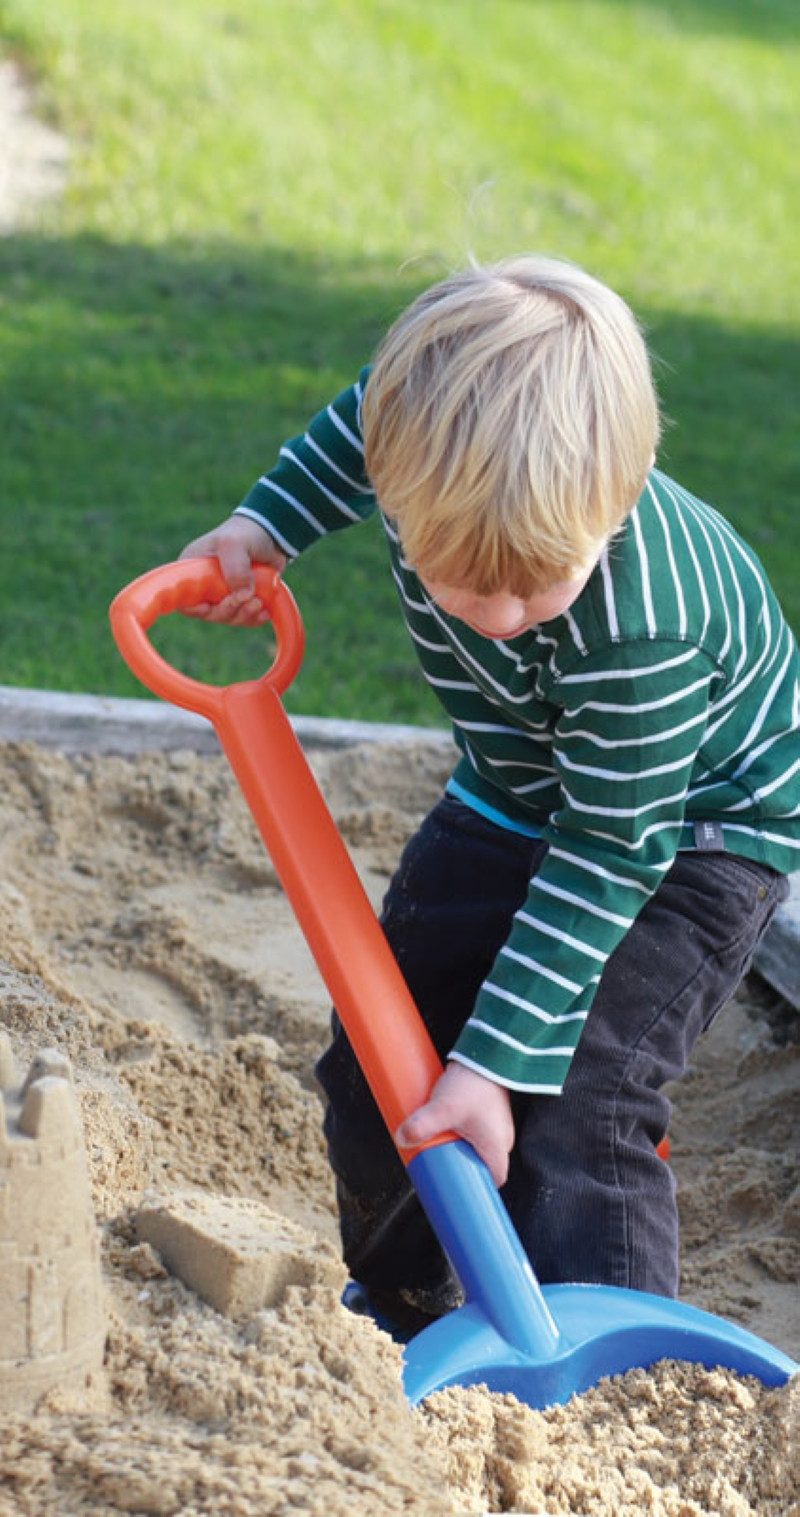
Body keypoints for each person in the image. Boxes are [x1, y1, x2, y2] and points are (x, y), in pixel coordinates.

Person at [177, 255, 798, 1334]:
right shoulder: (419, 445)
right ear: (399, 485)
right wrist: (262, 529)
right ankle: (407, 1302)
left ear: (620, 493)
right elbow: (355, 427)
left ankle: (612, 1359)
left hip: (695, 824)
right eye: (462, 580)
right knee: (382, 1060)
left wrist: (495, 1064)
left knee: (578, 1092)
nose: (503, 617)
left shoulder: (640, 631)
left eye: (538, 582)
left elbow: (607, 853)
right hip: (519, 777)